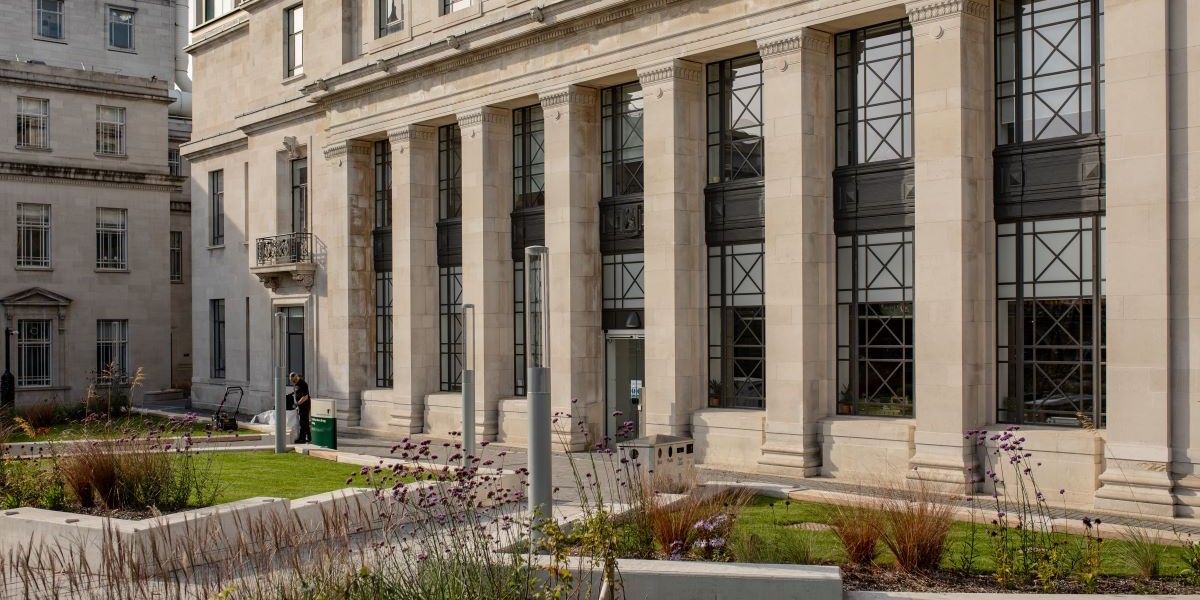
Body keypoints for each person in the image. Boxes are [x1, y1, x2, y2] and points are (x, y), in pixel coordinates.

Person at [290, 372, 311, 444]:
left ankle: (302, 439)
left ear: (296, 378)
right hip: (301, 405)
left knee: (303, 422)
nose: (293, 382)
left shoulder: (303, 384)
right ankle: (309, 437)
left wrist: (297, 403)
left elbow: (305, 397)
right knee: (305, 421)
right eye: (292, 381)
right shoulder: (297, 384)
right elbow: (297, 392)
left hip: (305, 405)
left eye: (293, 380)